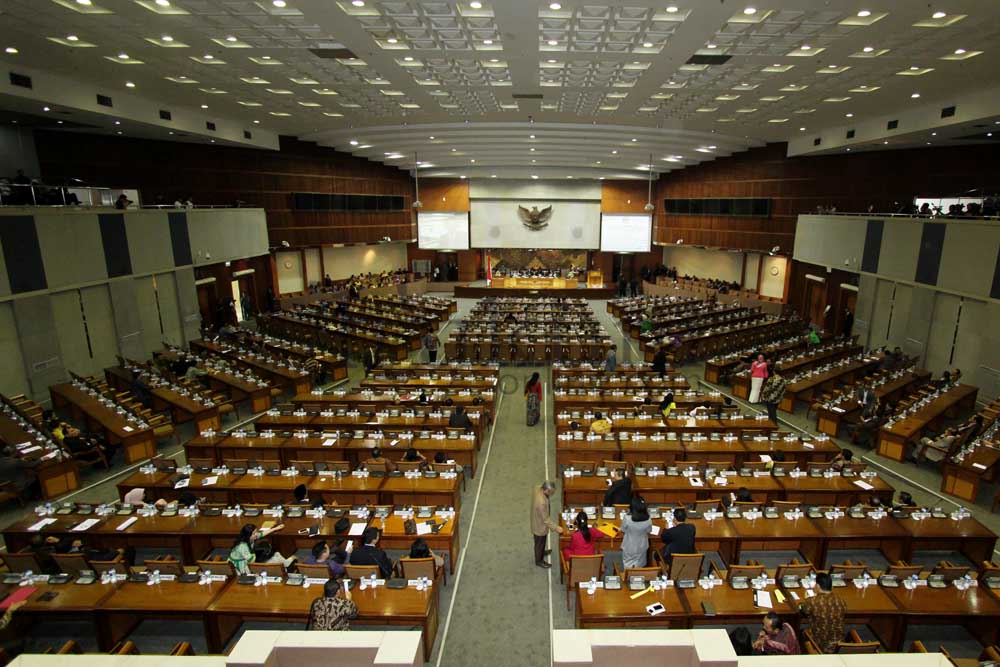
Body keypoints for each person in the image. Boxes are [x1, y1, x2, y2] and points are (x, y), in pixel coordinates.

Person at [798, 571, 847, 654]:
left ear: (817, 586)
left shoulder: (812, 602)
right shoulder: (841, 601)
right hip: (839, 644)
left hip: (820, 644)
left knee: (801, 632)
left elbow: (804, 610)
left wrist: (807, 599)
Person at [531, 481, 564, 568]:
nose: (552, 494)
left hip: (537, 518)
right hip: (539, 525)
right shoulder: (541, 502)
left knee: (541, 542)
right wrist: (556, 528)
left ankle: (542, 552)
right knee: (539, 543)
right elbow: (545, 519)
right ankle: (539, 560)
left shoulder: (538, 488)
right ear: (546, 490)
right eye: (551, 492)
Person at [620, 496, 652, 568]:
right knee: (640, 562)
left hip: (629, 545)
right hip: (642, 545)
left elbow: (623, 530)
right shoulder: (648, 518)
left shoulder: (627, 518)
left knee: (628, 563)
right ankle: (639, 575)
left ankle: (628, 575)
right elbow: (649, 530)